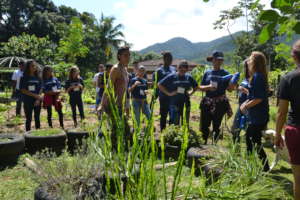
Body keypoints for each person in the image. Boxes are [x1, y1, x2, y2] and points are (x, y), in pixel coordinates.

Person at [275, 40, 300, 199]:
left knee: (298, 178)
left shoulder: (288, 78)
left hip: (296, 131)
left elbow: (281, 112)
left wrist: (277, 133)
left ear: (294, 57)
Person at [240, 51, 270, 172]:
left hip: (258, 117)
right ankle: (253, 166)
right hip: (258, 116)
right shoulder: (259, 75)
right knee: (251, 140)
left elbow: (258, 99)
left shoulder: (257, 76)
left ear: (255, 62)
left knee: (253, 141)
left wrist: (246, 106)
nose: (248, 61)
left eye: (250, 59)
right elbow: (256, 95)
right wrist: (247, 97)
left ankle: (262, 167)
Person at [199, 50, 235, 144]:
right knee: (204, 125)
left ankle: (214, 145)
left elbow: (230, 90)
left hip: (220, 103)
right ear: (213, 60)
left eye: (221, 60)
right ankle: (204, 143)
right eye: (217, 59)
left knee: (216, 125)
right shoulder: (207, 73)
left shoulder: (225, 73)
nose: (219, 61)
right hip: (207, 102)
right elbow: (200, 87)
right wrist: (209, 87)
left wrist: (232, 83)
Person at [100, 46, 131, 148]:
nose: (128, 57)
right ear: (119, 56)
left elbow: (125, 90)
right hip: (114, 105)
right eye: (125, 55)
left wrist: (127, 105)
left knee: (119, 129)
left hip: (120, 106)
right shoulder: (116, 69)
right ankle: (116, 153)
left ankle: (119, 152)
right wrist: (102, 105)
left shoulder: (125, 70)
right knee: (123, 130)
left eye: (129, 55)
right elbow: (108, 87)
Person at [158, 60, 198, 126]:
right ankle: (174, 134)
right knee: (174, 123)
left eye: (185, 67)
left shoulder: (189, 77)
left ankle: (184, 133)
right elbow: (160, 85)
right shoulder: (172, 76)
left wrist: (191, 93)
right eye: (181, 67)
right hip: (174, 103)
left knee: (185, 122)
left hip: (185, 102)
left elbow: (196, 86)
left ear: (187, 69)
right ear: (177, 68)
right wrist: (169, 93)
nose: (183, 69)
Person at [153, 52, 176, 131]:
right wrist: (154, 97)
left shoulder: (173, 69)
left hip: (173, 96)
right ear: (164, 59)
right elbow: (156, 85)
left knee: (172, 115)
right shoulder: (159, 71)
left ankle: (170, 132)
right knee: (163, 115)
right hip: (163, 97)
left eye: (171, 59)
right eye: (168, 59)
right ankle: (163, 132)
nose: (170, 60)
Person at [20, 60, 42, 131]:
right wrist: (34, 95)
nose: (34, 67)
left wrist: (38, 99)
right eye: (32, 66)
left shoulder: (38, 77)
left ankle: (38, 133)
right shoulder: (23, 77)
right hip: (27, 100)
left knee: (37, 118)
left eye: (35, 65)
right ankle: (28, 135)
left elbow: (41, 89)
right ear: (28, 67)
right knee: (28, 118)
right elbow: (23, 90)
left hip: (37, 101)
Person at [231, 59, 250, 143]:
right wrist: (237, 86)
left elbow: (255, 95)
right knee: (235, 128)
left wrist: (244, 90)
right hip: (241, 106)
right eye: (245, 67)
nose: (245, 69)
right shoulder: (245, 79)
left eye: (247, 66)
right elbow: (239, 89)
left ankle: (249, 148)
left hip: (248, 107)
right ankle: (235, 147)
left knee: (248, 129)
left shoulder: (255, 79)